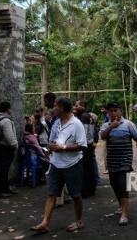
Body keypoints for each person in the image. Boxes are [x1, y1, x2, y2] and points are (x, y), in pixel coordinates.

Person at [30, 96, 87, 233]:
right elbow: (51, 141)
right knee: (51, 193)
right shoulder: (56, 123)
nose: (53, 108)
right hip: (56, 164)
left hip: (72, 164)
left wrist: (64, 148)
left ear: (62, 108)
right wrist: (50, 146)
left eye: (55, 106)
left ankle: (79, 221)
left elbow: (83, 145)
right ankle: (45, 223)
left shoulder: (76, 124)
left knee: (75, 195)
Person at [100, 102, 137, 226]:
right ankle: (121, 205)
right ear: (108, 113)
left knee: (122, 185)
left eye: (116, 110)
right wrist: (111, 127)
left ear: (120, 111)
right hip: (112, 160)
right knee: (114, 184)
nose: (114, 113)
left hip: (125, 159)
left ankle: (124, 214)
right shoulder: (105, 125)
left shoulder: (128, 124)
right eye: (111, 111)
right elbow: (102, 137)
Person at [0, 101, 19, 198]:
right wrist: (16, 146)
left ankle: (5, 189)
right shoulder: (6, 121)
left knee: (1, 170)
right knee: (1, 171)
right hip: (3, 150)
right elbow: (10, 138)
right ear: (8, 109)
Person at [74, 99, 97, 198]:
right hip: (89, 144)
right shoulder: (89, 116)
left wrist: (80, 144)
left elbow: (83, 132)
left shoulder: (83, 116)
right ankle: (91, 189)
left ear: (82, 105)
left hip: (85, 146)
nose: (75, 107)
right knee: (89, 167)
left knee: (84, 168)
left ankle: (85, 191)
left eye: (77, 105)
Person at [100, 104, 110, 174]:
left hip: (107, 137)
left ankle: (107, 168)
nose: (101, 110)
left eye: (103, 109)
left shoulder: (108, 116)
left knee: (106, 153)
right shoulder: (107, 116)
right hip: (106, 136)